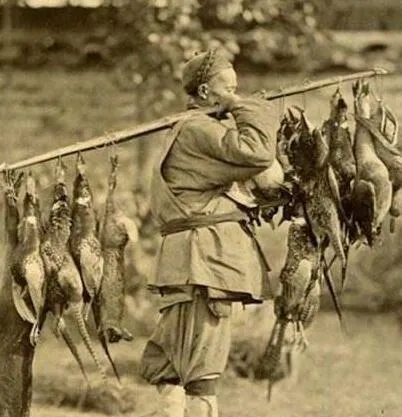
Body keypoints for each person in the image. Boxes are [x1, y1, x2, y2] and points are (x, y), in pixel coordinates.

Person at [139, 48, 283, 417]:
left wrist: (234, 107)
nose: (236, 94)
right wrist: (244, 108)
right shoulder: (197, 129)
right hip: (201, 264)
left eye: (237, 89)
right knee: (201, 367)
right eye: (229, 89)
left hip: (194, 262)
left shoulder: (195, 129)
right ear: (204, 92)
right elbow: (257, 153)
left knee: (174, 361)